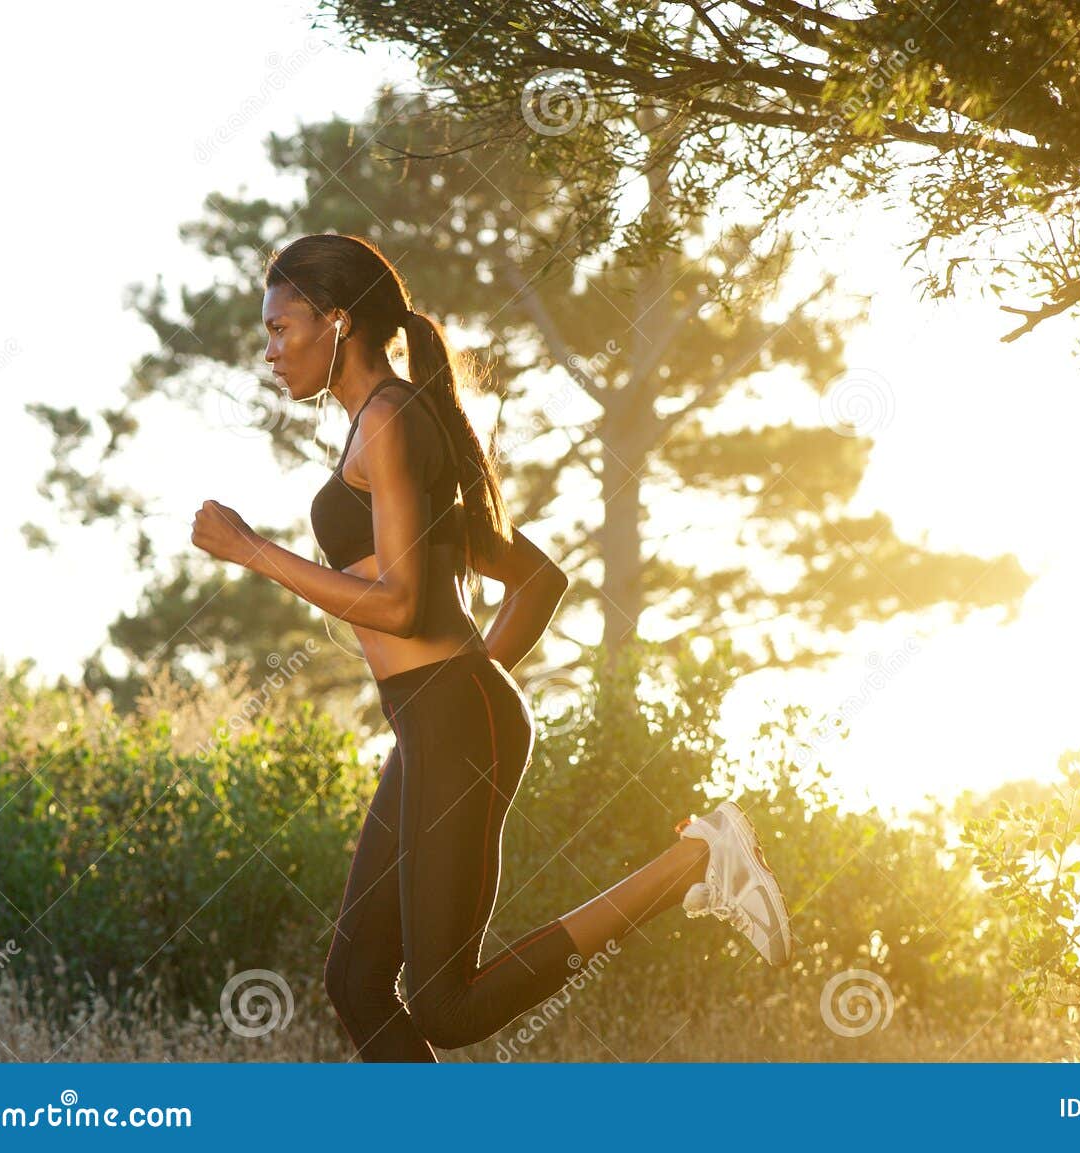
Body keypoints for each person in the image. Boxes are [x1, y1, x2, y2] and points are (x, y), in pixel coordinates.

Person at [189, 232, 793, 1061]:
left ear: (336, 322)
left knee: (446, 1004)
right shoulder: (384, 423)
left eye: (280, 328)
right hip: (440, 720)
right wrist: (467, 701)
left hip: (449, 717)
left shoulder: (393, 420)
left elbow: (400, 605)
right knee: (357, 979)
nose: (269, 351)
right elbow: (538, 577)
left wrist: (252, 549)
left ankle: (696, 856)